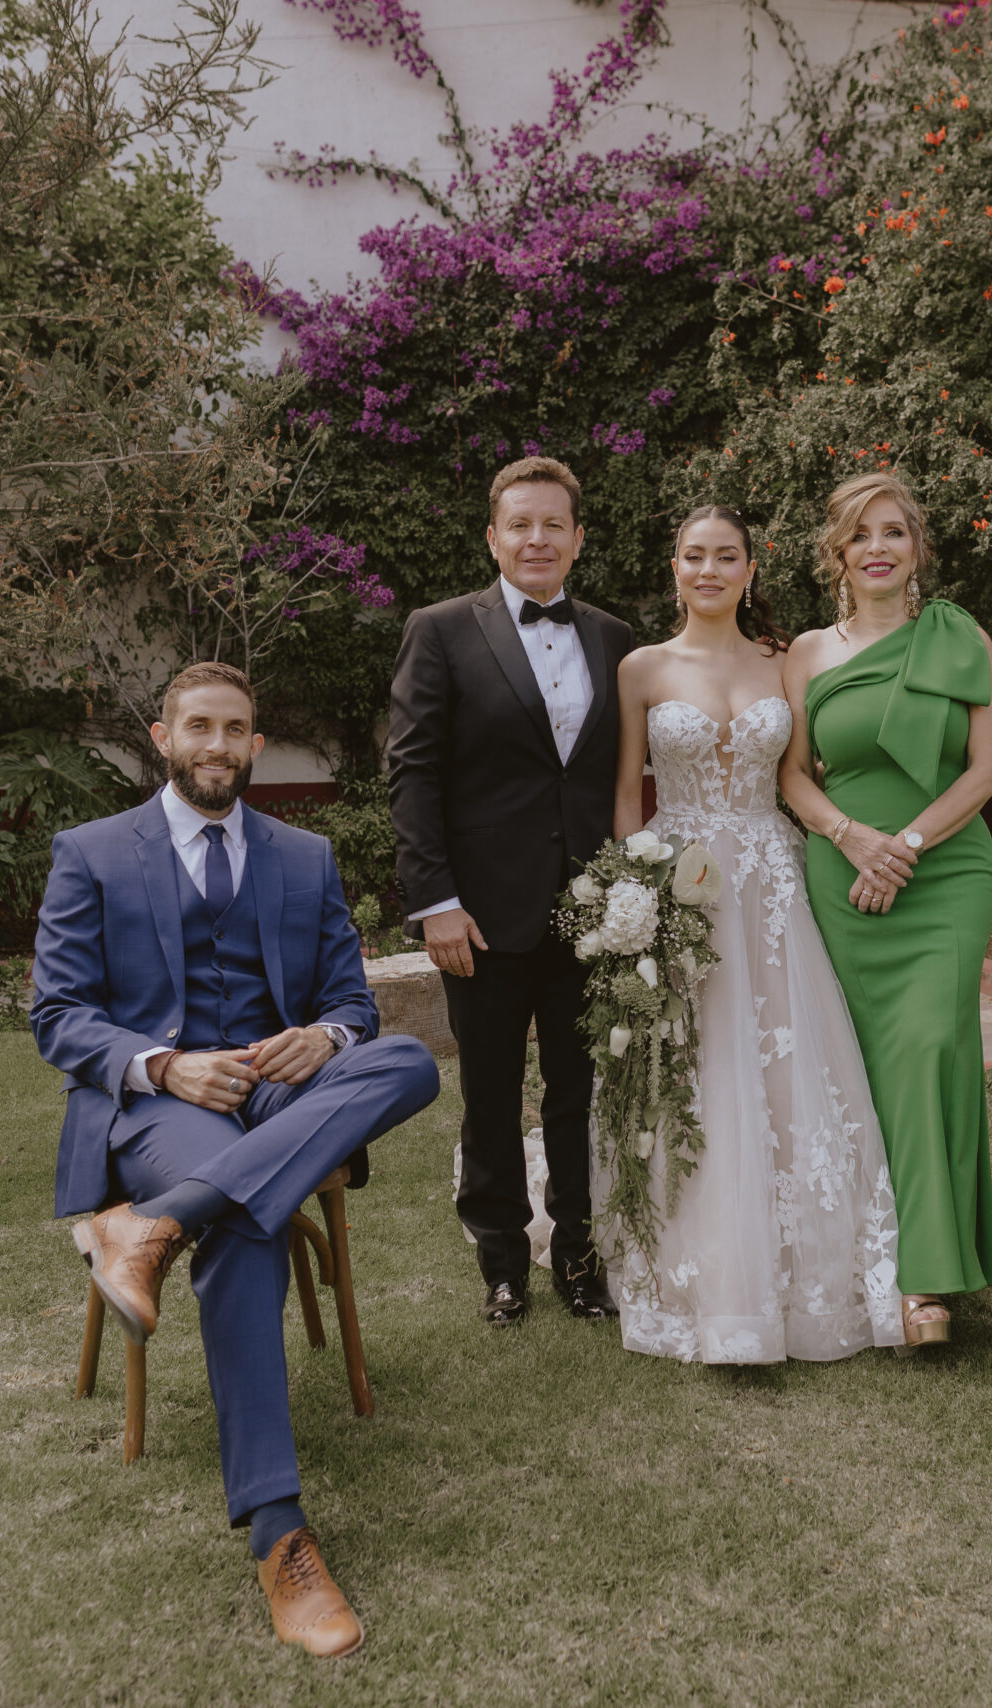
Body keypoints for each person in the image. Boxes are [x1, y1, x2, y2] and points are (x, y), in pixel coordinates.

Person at [33, 661, 441, 1659]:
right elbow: (58, 1016)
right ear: (162, 737)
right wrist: (165, 1065)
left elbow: (352, 1002)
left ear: (256, 745)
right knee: (252, 1230)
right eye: (198, 727)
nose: (216, 746)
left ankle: (158, 1224)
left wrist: (326, 1039)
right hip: (161, 1105)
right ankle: (279, 1533)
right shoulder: (92, 853)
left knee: (408, 1062)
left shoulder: (303, 856)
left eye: (235, 730)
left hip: (279, 1088)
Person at [601, 505, 905, 1361]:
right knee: (697, 1062)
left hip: (773, 884)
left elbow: (804, 772)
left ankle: (810, 1274)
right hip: (679, 878)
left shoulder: (787, 660)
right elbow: (627, 793)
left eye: (726, 556)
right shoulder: (641, 668)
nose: (709, 570)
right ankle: (701, 1271)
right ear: (674, 567)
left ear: (749, 569)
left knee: (786, 1062)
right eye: (694, 555)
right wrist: (637, 896)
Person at [386, 456, 635, 1326]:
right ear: (493, 538)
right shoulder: (441, 629)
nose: (537, 539)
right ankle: (501, 1266)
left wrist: (628, 894)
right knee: (489, 1095)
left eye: (552, 524)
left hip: (591, 915)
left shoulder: (614, 638)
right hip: (481, 917)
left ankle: (578, 1259)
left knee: (579, 1094)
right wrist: (435, 903)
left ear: (577, 538)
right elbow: (413, 773)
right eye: (520, 525)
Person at [778, 472, 992, 1347]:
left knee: (927, 1047)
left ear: (918, 548)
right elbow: (793, 776)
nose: (878, 548)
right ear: (837, 554)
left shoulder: (962, 638)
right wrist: (850, 839)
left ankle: (927, 1276)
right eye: (860, 534)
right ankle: (863, 1256)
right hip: (844, 875)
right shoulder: (807, 654)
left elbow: (986, 772)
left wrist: (903, 847)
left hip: (946, 872)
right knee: (857, 1065)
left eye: (894, 532)